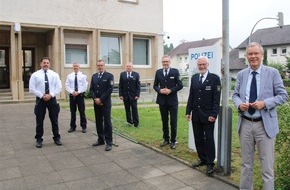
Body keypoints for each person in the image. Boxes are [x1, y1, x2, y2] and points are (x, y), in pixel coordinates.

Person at [232, 42, 288, 189]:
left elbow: (283, 95)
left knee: (267, 168)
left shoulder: (272, 73)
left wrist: (265, 103)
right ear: (246, 57)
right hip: (245, 124)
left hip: (265, 125)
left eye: (256, 53)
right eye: (250, 54)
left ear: (262, 55)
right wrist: (239, 104)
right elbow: (235, 94)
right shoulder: (241, 74)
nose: (253, 56)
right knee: (246, 165)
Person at [185, 56, 221, 176]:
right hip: (196, 115)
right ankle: (202, 159)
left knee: (209, 139)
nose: (201, 66)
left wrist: (214, 114)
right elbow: (191, 96)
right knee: (198, 138)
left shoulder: (214, 79)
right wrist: (188, 111)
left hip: (208, 115)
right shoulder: (194, 78)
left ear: (207, 65)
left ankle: (210, 163)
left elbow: (216, 99)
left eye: (203, 64)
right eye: (200, 65)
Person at [29, 57, 62, 148]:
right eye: (44, 63)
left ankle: (57, 137)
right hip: (40, 100)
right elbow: (31, 89)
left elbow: (59, 87)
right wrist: (41, 95)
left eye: (47, 63)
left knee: (54, 120)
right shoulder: (35, 75)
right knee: (39, 120)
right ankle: (39, 139)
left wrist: (50, 95)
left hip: (52, 99)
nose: (46, 64)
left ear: (49, 64)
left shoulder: (54, 74)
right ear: (40, 64)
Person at [153, 55, 183, 149]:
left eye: (167, 62)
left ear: (170, 62)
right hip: (162, 101)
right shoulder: (158, 72)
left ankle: (173, 141)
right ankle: (166, 139)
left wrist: (170, 90)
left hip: (172, 101)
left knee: (173, 122)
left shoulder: (175, 71)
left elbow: (180, 85)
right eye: (163, 62)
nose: (165, 63)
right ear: (162, 63)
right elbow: (155, 86)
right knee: (164, 121)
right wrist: (160, 90)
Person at [90, 60, 114, 151]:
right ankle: (100, 139)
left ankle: (109, 142)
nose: (100, 67)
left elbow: (110, 89)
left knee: (107, 123)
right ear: (97, 66)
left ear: (104, 66)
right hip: (96, 103)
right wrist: (95, 99)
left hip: (105, 103)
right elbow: (91, 89)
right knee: (98, 121)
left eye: (101, 65)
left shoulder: (109, 76)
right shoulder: (94, 76)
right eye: (98, 65)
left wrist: (101, 99)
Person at [65, 63, 88, 133]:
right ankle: (72, 126)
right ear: (73, 67)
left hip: (80, 95)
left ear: (79, 67)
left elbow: (85, 86)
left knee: (82, 112)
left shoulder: (83, 75)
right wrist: (72, 92)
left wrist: (78, 92)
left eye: (77, 66)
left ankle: (84, 126)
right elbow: (67, 85)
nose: (75, 67)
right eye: (74, 66)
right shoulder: (69, 76)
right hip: (72, 96)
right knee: (72, 112)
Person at [118, 62, 141, 127]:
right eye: (127, 66)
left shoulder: (136, 74)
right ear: (126, 67)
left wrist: (137, 95)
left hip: (133, 96)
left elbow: (138, 86)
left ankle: (136, 123)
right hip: (125, 96)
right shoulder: (122, 74)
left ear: (132, 67)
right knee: (127, 110)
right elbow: (120, 86)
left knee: (134, 110)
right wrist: (120, 95)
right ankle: (129, 122)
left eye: (130, 66)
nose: (128, 67)